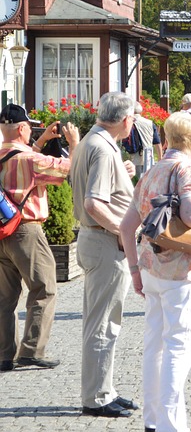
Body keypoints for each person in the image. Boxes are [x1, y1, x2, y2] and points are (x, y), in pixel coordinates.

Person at [118, 112, 191, 432]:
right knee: (177, 345)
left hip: (149, 267)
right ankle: (170, 425)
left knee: (154, 345)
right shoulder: (185, 168)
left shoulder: (151, 171)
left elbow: (126, 226)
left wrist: (134, 271)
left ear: (166, 137)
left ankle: (153, 420)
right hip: (178, 270)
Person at [70, 91, 139, 418]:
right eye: (133, 118)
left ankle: (104, 389)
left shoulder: (91, 141)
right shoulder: (101, 148)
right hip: (104, 243)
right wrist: (122, 231)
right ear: (125, 120)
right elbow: (93, 204)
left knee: (102, 320)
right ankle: (96, 397)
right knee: (104, 323)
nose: (134, 123)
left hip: (95, 241)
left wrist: (120, 170)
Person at [0, 106, 79, 373]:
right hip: (26, 230)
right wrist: (74, 143)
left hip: (2, 231)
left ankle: (3, 355)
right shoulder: (30, 160)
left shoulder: (4, 154)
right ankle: (31, 351)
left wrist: (42, 140)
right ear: (23, 129)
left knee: (4, 297)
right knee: (43, 289)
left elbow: (20, 154)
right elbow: (69, 169)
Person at [130, 102, 161, 178]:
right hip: (148, 157)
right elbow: (157, 143)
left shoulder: (129, 122)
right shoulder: (150, 123)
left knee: (135, 182)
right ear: (141, 111)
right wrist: (160, 159)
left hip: (133, 158)